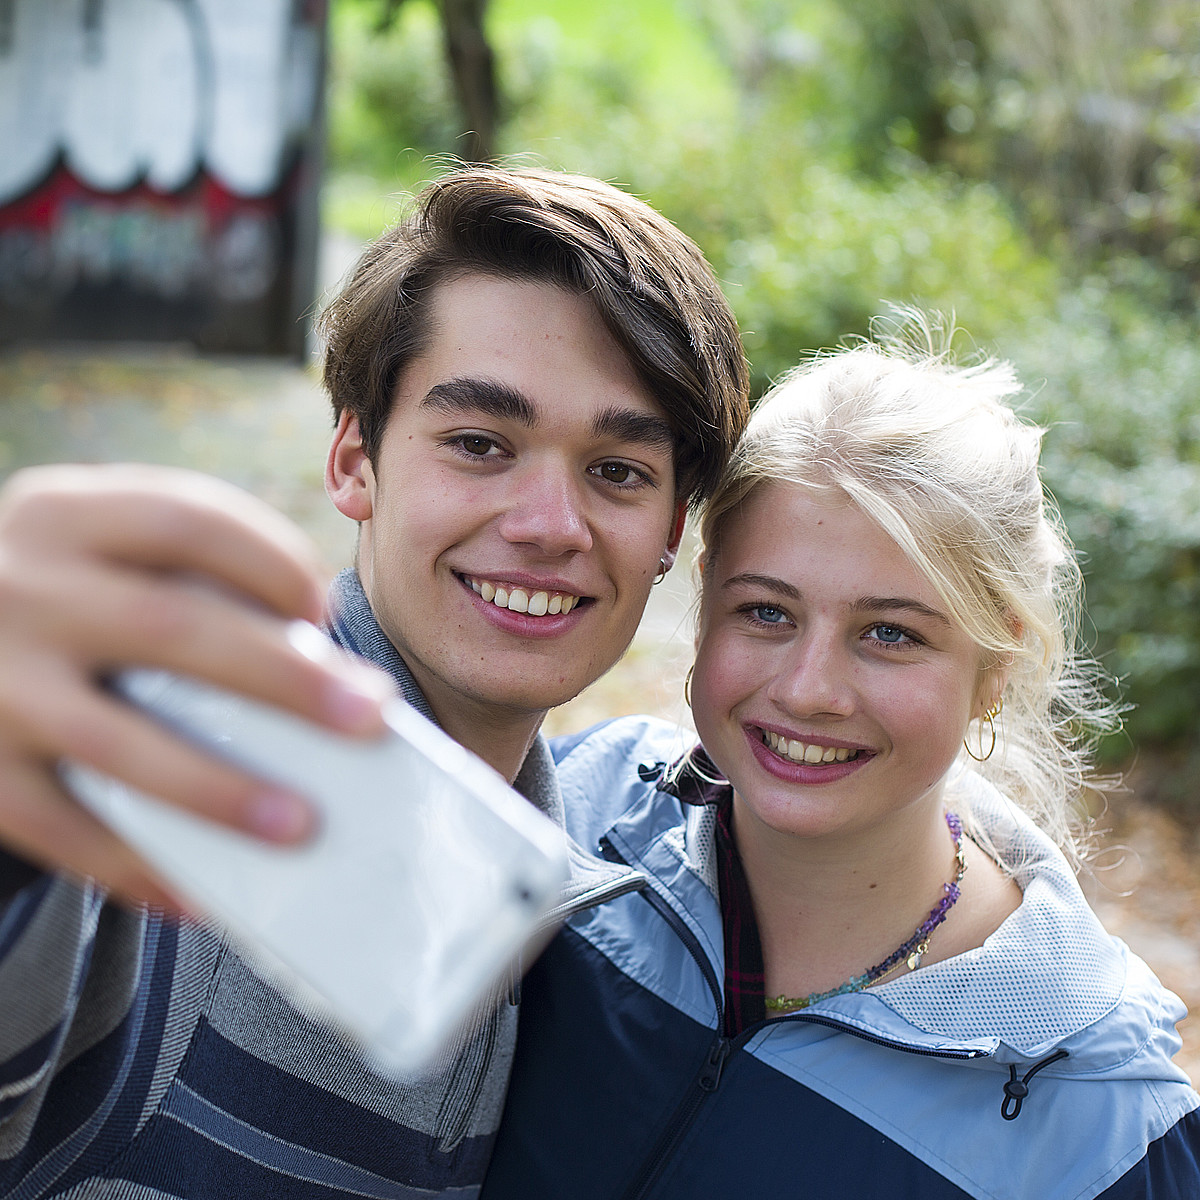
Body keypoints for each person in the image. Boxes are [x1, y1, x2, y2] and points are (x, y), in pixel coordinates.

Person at [0, 165, 749, 1197]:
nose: (549, 525)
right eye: (480, 443)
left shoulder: (584, 880)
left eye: (617, 471)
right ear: (355, 457)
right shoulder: (172, 775)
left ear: (669, 532)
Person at [482, 329, 1200, 1199]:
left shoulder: (1102, 1129)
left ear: (995, 667)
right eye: (767, 613)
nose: (810, 690)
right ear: (705, 598)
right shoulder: (562, 815)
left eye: (890, 634)